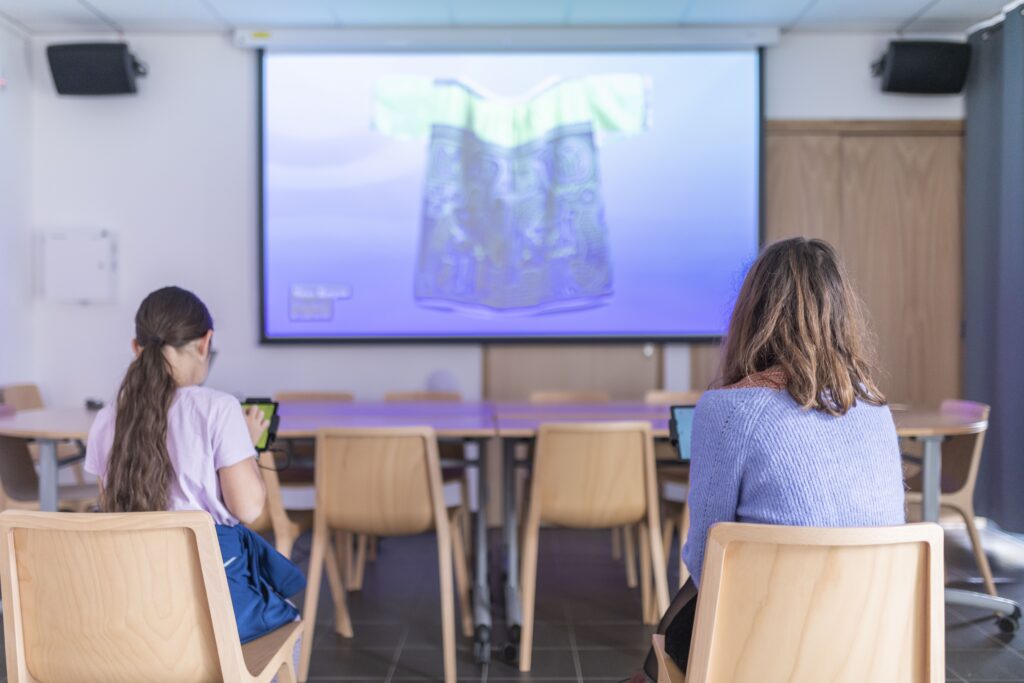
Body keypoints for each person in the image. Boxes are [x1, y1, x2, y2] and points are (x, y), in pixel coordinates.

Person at [627, 237, 906, 681]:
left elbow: (704, 562)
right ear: (839, 314)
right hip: (872, 637)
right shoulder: (876, 409)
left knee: (685, 610)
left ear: (753, 313)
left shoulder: (728, 409)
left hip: (770, 642)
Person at [85, 285, 305, 644]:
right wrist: (245, 446)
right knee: (289, 630)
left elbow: (111, 507)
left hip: (133, 606)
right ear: (205, 343)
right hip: (212, 603)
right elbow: (248, 507)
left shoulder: (109, 417)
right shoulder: (219, 409)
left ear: (136, 349)